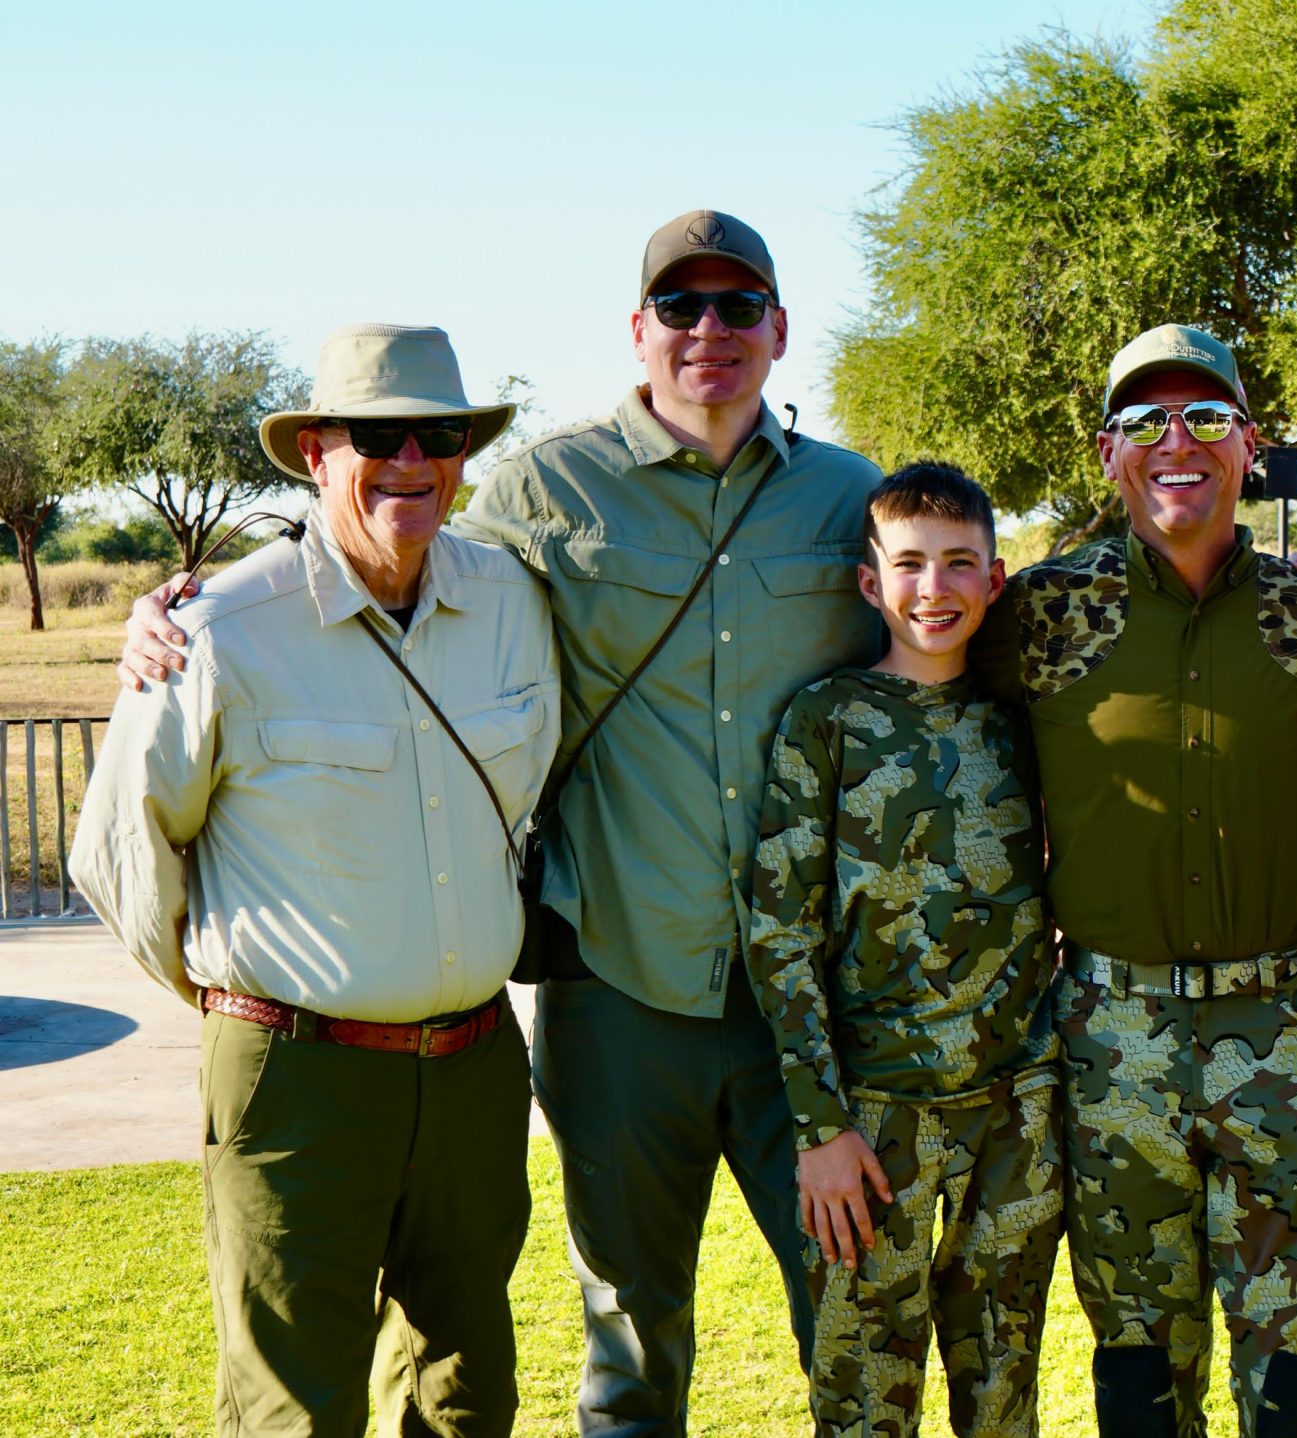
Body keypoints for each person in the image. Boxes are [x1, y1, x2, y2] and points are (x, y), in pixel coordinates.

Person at [118, 211, 886, 1433]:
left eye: (738, 305)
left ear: (780, 328)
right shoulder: (542, 487)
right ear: (637, 329)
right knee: (630, 1334)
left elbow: (948, 616)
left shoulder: (853, 497)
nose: (710, 329)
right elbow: (376, 553)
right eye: (680, 305)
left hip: (809, 994)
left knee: (852, 1318)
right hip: (617, 987)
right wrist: (186, 607)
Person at [73, 324, 557, 1436]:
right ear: (315, 451)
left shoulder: (516, 602)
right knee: (294, 1406)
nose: (411, 461)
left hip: (477, 1069)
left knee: (467, 1392)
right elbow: (120, 852)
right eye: (377, 435)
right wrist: (241, 1001)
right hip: (296, 1078)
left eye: (439, 434)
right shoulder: (217, 632)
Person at [967, 324, 1297, 1438]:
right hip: (1112, 1045)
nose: (1177, 442)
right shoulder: (1039, 615)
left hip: (1288, 1041)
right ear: (1107, 452)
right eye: (1144, 421)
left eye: (1205, 417)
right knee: (1139, 1388)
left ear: (1248, 443)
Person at [745, 461, 1060, 1438]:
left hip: (1016, 1112)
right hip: (871, 1120)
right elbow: (781, 932)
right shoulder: (827, 720)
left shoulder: (1025, 720)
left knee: (1002, 1399)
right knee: (863, 1403)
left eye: (960, 562)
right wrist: (818, 1128)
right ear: (869, 581)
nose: (935, 587)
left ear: (995, 580)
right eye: (910, 563)